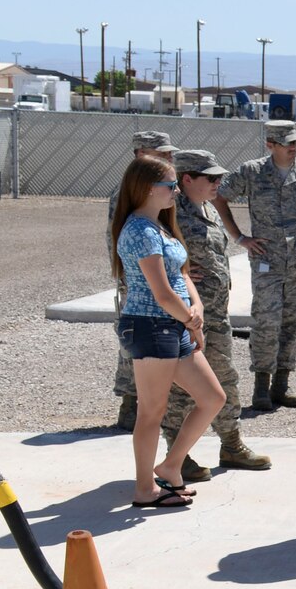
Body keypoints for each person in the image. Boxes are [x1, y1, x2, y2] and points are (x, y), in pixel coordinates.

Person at [112, 156, 226, 510]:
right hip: (151, 326)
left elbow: (183, 274)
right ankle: (145, 488)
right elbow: (161, 293)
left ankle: (171, 465)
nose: (176, 190)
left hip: (173, 324)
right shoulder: (140, 231)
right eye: (169, 185)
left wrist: (197, 307)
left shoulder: (159, 225)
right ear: (147, 188)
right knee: (152, 413)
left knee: (212, 398)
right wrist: (190, 320)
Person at [214, 120, 296, 412]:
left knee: (294, 320)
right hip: (266, 260)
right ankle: (261, 385)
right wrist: (239, 237)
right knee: (266, 320)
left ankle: (281, 384)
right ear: (270, 145)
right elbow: (220, 197)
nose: (293, 148)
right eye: (287, 144)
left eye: (295, 143)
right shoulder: (252, 172)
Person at [160, 150, 270, 479]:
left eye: (219, 177)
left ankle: (232, 444)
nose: (218, 183)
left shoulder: (207, 208)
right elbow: (144, 255)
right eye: (211, 178)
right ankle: (177, 456)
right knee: (181, 389)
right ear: (187, 179)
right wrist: (173, 272)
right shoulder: (168, 212)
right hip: (184, 316)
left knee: (225, 379)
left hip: (215, 315)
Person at [111, 131, 179, 430]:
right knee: (134, 354)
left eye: (168, 153)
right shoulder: (127, 196)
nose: (167, 158)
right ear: (140, 154)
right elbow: (119, 241)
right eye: (159, 153)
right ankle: (130, 405)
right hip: (140, 284)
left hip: (159, 278)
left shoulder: (163, 188)